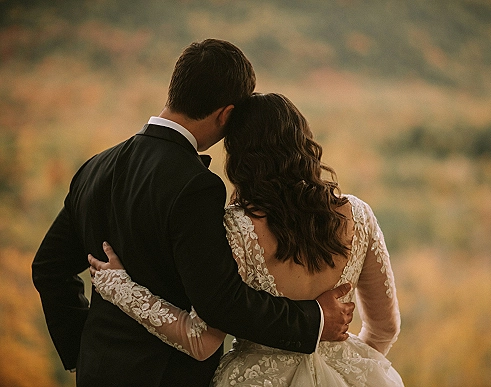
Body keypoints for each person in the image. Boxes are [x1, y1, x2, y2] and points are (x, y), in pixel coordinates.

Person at [31, 40, 354, 386]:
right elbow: (220, 302)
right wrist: (314, 319)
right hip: (166, 378)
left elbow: (49, 268)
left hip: (96, 374)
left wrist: (80, 351)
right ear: (226, 115)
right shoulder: (196, 186)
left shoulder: (95, 167)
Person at [88, 93, 404, 386]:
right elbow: (385, 329)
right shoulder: (359, 216)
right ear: (304, 143)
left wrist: (123, 289)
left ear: (238, 155)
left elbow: (200, 342)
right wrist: (343, 368)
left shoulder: (236, 229)